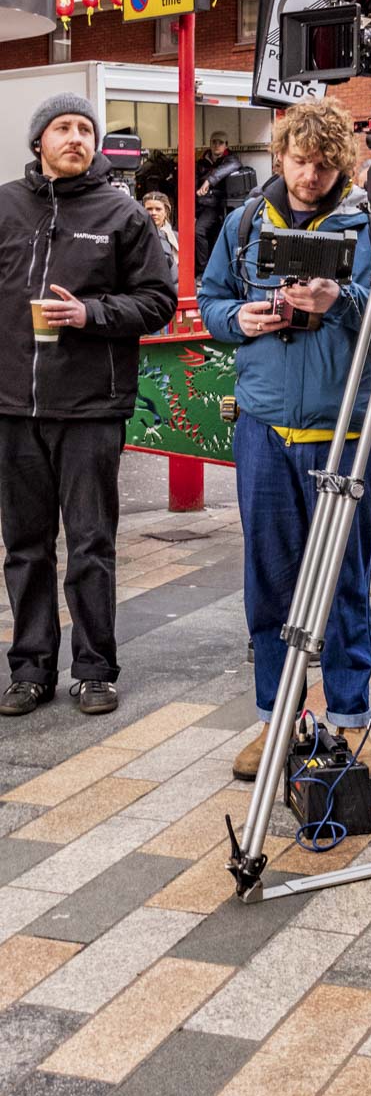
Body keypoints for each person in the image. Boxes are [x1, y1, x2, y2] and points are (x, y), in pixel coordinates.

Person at [198, 97, 371, 783]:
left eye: (324, 163)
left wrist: (344, 302)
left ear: (344, 163)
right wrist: (237, 317)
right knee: (269, 586)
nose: (309, 175)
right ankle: (278, 718)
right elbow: (212, 298)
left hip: (350, 431)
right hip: (265, 430)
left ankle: (351, 724)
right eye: (299, 161)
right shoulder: (245, 222)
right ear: (279, 157)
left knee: (345, 586)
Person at [0, 94, 177, 719]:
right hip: (13, 408)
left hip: (91, 407)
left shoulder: (122, 213)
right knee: (24, 546)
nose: (75, 137)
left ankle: (96, 669)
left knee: (91, 542)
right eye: (62, 127)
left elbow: (158, 301)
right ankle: (29, 668)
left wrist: (90, 313)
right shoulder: (5, 207)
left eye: (84, 128)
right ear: (38, 140)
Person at [194, 130, 242, 275]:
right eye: (214, 142)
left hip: (216, 205)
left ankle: (204, 270)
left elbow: (228, 168)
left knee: (198, 231)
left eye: (220, 143)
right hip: (199, 204)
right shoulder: (201, 162)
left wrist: (209, 181)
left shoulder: (231, 160)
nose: (216, 145)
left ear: (226, 145)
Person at [143, 191, 180, 284]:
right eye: (149, 209)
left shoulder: (176, 237)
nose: (153, 213)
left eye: (158, 209)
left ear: (166, 211)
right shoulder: (137, 235)